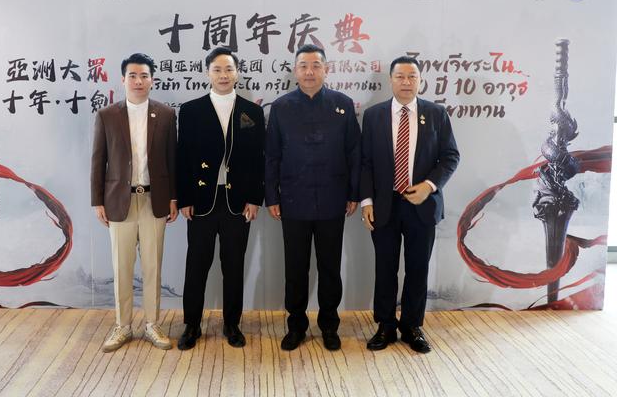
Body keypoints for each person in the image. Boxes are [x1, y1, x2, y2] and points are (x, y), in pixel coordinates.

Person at [360, 56, 459, 353]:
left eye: (412, 77)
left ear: (420, 80)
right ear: (390, 80)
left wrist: (429, 186)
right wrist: (366, 201)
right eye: (400, 76)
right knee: (385, 268)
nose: (406, 82)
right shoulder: (374, 115)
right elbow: (365, 162)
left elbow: (450, 156)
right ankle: (385, 325)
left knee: (418, 268)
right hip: (384, 205)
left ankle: (412, 326)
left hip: (422, 205)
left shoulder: (436, 113)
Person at [264, 44, 360, 351]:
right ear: (295, 71)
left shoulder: (342, 105)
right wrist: (272, 196)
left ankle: (329, 325)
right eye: (303, 66)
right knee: (295, 268)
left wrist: (354, 193)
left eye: (316, 65)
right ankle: (296, 326)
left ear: (326, 70)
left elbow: (354, 153)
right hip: (293, 201)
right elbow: (272, 156)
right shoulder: (281, 107)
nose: (309, 72)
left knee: (330, 267)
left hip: (333, 200)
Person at [176, 46, 265, 350]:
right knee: (196, 266)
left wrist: (255, 199)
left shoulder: (252, 111)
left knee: (234, 266)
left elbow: (258, 160)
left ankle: (232, 324)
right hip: (201, 201)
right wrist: (184, 198)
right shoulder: (191, 110)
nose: (223, 75)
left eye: (229, 69)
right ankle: (191, 325)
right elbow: (183, 157)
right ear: (207, 73)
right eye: (217, 69)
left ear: (237, 73)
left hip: (237, 202)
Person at [91, 52, 178, 352]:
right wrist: (97, 201)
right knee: (122, 267)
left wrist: (173, 197)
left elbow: (172, 159)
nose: (138, 81)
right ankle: (123, 326)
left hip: (155, 200)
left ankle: (153, 324)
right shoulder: (107, 115)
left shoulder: (165, 115)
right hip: (119, 201)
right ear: (123, 79)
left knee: (153, 266)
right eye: (133, 76)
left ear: (152, 79)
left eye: (144, 76)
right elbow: (98, 161)